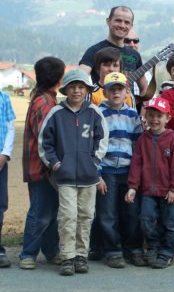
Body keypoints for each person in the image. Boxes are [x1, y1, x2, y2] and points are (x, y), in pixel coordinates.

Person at [38, 69, 109, 276]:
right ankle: (67, 257)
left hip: (89, 176)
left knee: (86, 216)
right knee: (68, 216)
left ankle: (81, 256)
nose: (76, 91)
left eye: (80, 87)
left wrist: (94, 162)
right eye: (72, 87)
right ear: (65, 90)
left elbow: (102, 140)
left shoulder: (94, 112)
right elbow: (45, 143)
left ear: (86, 90)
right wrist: (56, 164)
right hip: (65, 177)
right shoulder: (56, 113)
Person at [125, 97, 174, 269]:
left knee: (170, 223)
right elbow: (136, 164)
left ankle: (167, 253)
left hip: (169, 192)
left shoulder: (172, 138)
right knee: (145, 219)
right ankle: (153, 247)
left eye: (159, 116)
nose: (154, 119)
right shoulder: (143, 139)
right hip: (147, 191)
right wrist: (132, 187)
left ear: (167, 118)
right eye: (151, 115)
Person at [19, 57, 65, 270]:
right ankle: (28, 254)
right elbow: (45, 138)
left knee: (49, 211)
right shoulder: (45, 103)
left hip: (41, 167)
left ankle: (51, 251)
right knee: (40, 212)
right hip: (42, 168)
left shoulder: (43, 98)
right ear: (58, 78)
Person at [96, 72, 144, 268]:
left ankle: (133, 249)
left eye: (120, 89)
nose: (116, 92)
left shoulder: (132, 114)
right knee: (107, 214)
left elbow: (138, 145)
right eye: (112, 89)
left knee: (131, 212)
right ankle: (113, 251)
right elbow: (94, 146)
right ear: (105, 92)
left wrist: (136, 173)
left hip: (128, 171)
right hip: (106, 171)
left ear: (127, 92)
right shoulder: (98, 113)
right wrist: (97, 174)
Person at [79, 5, 147, 95]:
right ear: (108, 21)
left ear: (131, 26)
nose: (122, 25)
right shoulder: (94, 50)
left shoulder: (135, 55)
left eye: (127, 22)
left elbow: (144, 87)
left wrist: (138, 103)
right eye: (118, 20)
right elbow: (78, 79)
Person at [0, 88, 15, 268]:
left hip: (0, 161)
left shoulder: (4, 98)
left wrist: (4, 154)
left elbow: (11, 126)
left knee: (0, 204)